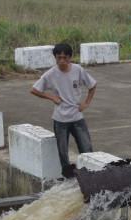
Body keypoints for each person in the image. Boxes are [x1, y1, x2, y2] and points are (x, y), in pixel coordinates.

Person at [30, 42, 97, 178]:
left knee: (87, 150)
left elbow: (93, 85)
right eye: (59, 57)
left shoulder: (78, 70)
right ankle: (69, 178)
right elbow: (34, 90)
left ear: (70, 57)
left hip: (77, 118)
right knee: (63, 152)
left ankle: (90, 176)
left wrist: (86, 103)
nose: (62, 61)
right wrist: (51, 97)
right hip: (60, 120)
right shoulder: (50, 74)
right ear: (55, 58)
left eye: (65, 57)